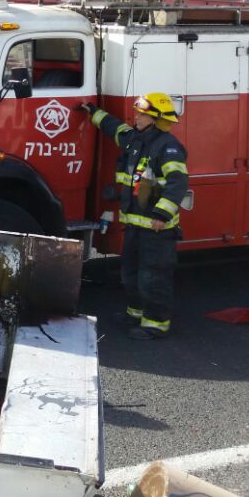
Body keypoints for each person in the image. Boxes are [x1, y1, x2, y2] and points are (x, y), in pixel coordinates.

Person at [80, 93, 188, 340]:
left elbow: (177, 183)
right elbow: (113, 127)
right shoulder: (134, 139)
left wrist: (162, 214)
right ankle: (136, 313)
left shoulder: (168, 147)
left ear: (157, 119)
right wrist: (92, 111)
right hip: (135, 225)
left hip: (157, 228)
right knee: (130, 273)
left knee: (153, 276)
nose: (136, 117)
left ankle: (155, 325)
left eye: (141, 114)